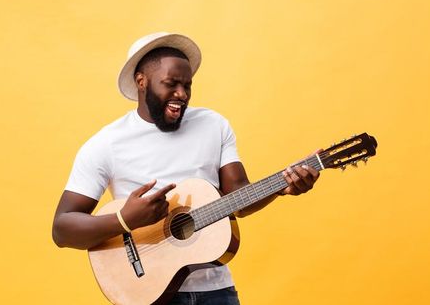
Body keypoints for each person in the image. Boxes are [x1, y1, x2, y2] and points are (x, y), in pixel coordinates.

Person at [50, 32, 321, 305]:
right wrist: (124, 220)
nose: (181, 94)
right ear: (141, 81)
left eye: (187, 85)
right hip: (146, 291)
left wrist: (281, 188)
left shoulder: (214, 126)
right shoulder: (106, 144)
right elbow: (62, 229)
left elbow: (238, 197)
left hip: (217, 292)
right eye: (171, 84)